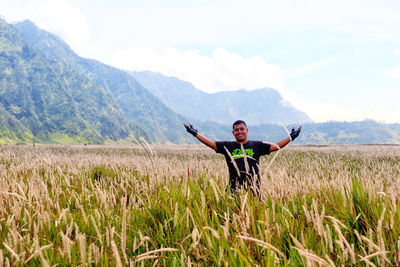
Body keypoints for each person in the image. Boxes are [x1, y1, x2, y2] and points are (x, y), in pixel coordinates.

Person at [183, 120, 301, 196]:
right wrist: (195, 133)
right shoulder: (228, 146)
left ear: (247, 130)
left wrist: (291, 137)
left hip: (254, 190)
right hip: (234, 190)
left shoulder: (257, 145)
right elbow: (211, 144)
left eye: (242, 129)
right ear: (233, 133)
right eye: (236, 130)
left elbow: (276, 146)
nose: (239, 132)